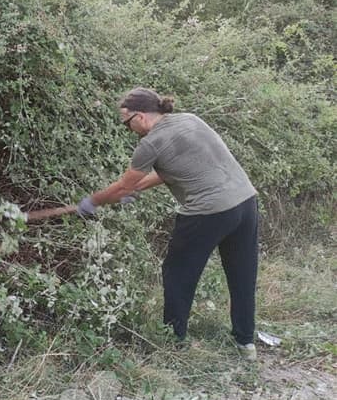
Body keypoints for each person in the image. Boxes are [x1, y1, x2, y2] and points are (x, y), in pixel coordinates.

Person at [75, 87, 259, 359]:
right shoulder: (190, 120)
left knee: (177, 273)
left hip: (208, 211)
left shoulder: (150, 143)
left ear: (139, 116)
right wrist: (136, 188)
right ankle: (245, 343)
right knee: (242, 273)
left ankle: (174, 342)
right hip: (246, 202)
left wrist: (92, 202)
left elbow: (123, 187)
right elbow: (173, 170)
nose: (128, 129)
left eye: (126, 123)